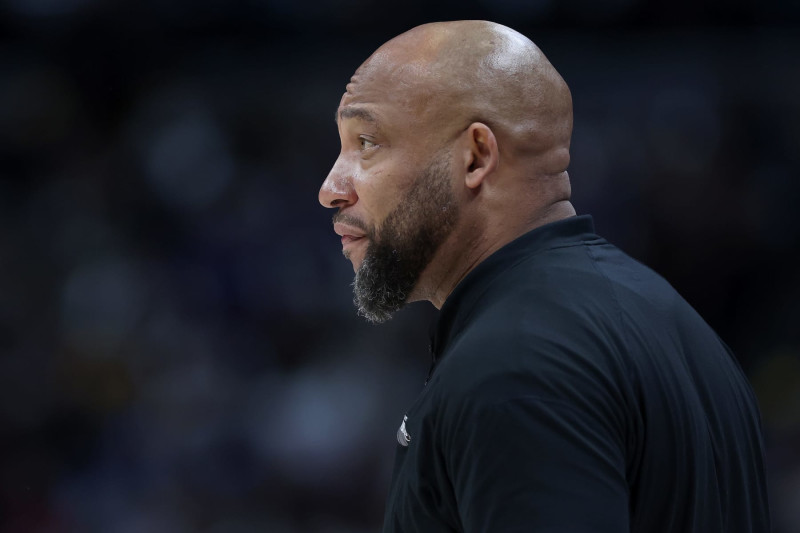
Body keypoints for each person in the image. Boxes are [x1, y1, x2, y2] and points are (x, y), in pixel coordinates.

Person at [317, 20, 770, 533]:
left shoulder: (513, 365)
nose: (331, 188)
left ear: (476, 157)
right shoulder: (677, 323)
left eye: (368, 142)